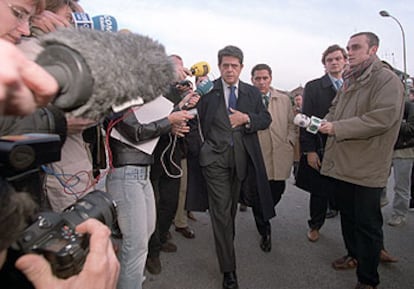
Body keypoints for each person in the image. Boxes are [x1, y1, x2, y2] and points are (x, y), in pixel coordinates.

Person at [319, 32, 405, 289]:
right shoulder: (350, 80)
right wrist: (325, 121)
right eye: (348, 48)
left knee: (368, 225)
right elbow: (335, 110)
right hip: (343, 163)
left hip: (367, 166)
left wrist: (337, 128)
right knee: (348, 216)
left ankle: (368, 279)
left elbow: (382, 119)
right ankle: (353, 255)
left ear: (373, 50)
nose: (350, 53)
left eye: (356, 47)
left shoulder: (386, 80)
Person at [105, 76, 195, 289]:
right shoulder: (117, 97)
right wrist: (169, 121)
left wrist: (170, 124)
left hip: (142, 174)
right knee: (135, 244)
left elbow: (148, 124)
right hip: (126, 176)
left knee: (144, 235)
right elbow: (136, 131)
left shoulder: (137, 98)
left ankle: (132, 279)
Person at [195, 45, 273, 289]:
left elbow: (265, 119)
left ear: (241, 67)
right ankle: (229, 271)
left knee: (228, 214)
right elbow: (194, 116)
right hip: (213, 161)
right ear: (219, 67)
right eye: (225, 65)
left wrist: (246, 118)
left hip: (240, 160)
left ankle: (226, 241)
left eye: (234, 65)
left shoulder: (251, 93)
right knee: (220, 212)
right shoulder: (208, 91)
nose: (229, 69)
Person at [296, 44, 347, 242]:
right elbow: (306, 119)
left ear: (345, 60)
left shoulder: (353, 85)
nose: (334, 62)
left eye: (337, 58)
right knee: (319, 191)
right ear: (324, 64)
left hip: (347, 146)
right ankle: (315, 225)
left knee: (347, 195)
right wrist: (309, 150)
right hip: (322, 145)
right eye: (329, 60)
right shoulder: (314, 86)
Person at [250, 63, 296, 252]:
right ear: (252, 80)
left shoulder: (284, 99)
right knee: (260, 194)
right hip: (259, 154)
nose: (261, 82)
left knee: (277, 190)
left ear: (271, 78)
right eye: (257, 78)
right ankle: (265, 230)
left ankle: (264, 212)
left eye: (265, 78)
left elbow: (291, 124)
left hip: (280, 152)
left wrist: (290, 141)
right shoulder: (248, 99)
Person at [387, 100, 414, 226]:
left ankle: (399, 214)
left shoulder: (409, 107)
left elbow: (411, 129)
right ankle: (381, 200)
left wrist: (395, 120)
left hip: (404, 149)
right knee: (376, 179)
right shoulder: (384, 105)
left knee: (401, 185)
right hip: (386, 148)